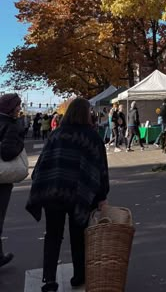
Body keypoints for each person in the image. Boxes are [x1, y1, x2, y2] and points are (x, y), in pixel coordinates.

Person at [26, 97, 109, 292]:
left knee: (53, 235)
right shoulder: (92, 136)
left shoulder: (56, 135)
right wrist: (101, 196)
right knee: (78, 235)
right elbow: (100, 169)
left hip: (53, 192)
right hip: (79, 194)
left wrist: (42, 185)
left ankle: (49, 280)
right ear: (86, 113)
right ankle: (79, 275)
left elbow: (42, 165)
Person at [0, 92, 24, 269]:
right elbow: (8, 153)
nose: (19, 109)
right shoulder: (9, 125)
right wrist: (20, 144)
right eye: (17, 105)